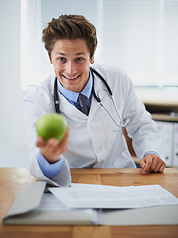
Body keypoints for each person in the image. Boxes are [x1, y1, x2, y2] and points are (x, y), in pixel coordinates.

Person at [23, 14, 166, 186]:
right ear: (50, 59)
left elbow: (141, 123)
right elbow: (34, 156)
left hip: (120, 177)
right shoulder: (37, 99)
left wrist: (150, 152)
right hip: (73, 182)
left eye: (79, 59)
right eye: (61, 59)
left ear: (91, 57)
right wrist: (48, 158)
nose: (70, 70)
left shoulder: (116, 78)